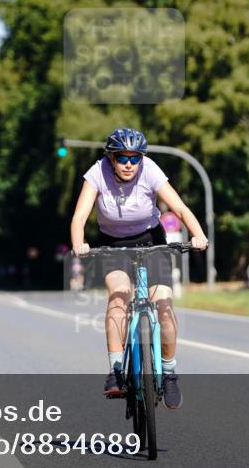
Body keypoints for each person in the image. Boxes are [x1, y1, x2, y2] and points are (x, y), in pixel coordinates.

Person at [70, 128, 209, 409]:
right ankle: (117, 371)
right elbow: (80, 217)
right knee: (119, 298)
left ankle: (169, 374)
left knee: (164, 309)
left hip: (151, 240)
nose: (129, 164)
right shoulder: (96, 173)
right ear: (111, 157)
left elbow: (179, 208)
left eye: (135, 158)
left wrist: (198, 234)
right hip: (113, 243)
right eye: (122, 157)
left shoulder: (150, 170)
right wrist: (79, 244)